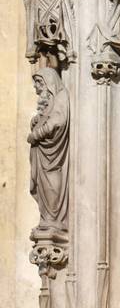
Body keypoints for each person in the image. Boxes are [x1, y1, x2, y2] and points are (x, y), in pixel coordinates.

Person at [28, 67, 70, 239]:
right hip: (42, 154)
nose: (36, 87)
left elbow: (57, 121)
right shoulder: (51, 100)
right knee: (43, 185)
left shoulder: (61, 97)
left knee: (52, 184)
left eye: (39, 82)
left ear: (49, 82)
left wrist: (37, 134)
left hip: (53, 157)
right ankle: (48, 218)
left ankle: (53, 218)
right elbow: (48, 118)